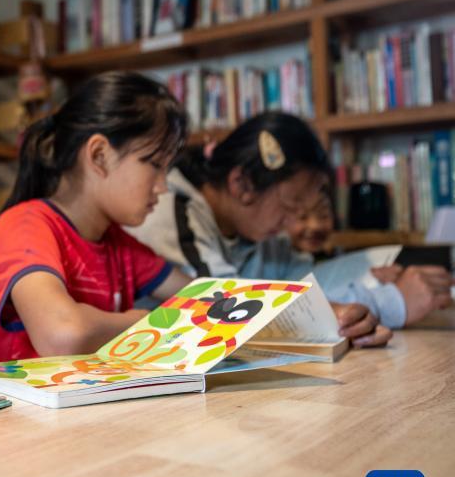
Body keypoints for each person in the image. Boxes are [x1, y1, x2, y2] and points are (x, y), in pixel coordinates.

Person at [0, 72, 197, 365]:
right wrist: (146, 321)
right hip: (14, 396)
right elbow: (63, 334)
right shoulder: (22, 228)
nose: (163, 187)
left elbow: (204, 299)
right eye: (155, 165)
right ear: (99, 155)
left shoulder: (117, 244)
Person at [128, 112, 401, 345]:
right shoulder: (170, 215)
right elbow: (222, 312)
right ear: (241, 185)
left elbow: (301, 285)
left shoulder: (253, 223)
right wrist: (390, 303)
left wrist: (369, 285)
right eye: (291, 205)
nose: (293, 224)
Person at [286, 185, 454, 324]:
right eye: (302, 217)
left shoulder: (302, 261)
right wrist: (392, 299)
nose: (315, 225)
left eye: (324, 215)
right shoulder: (279, 257)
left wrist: (377, 283)